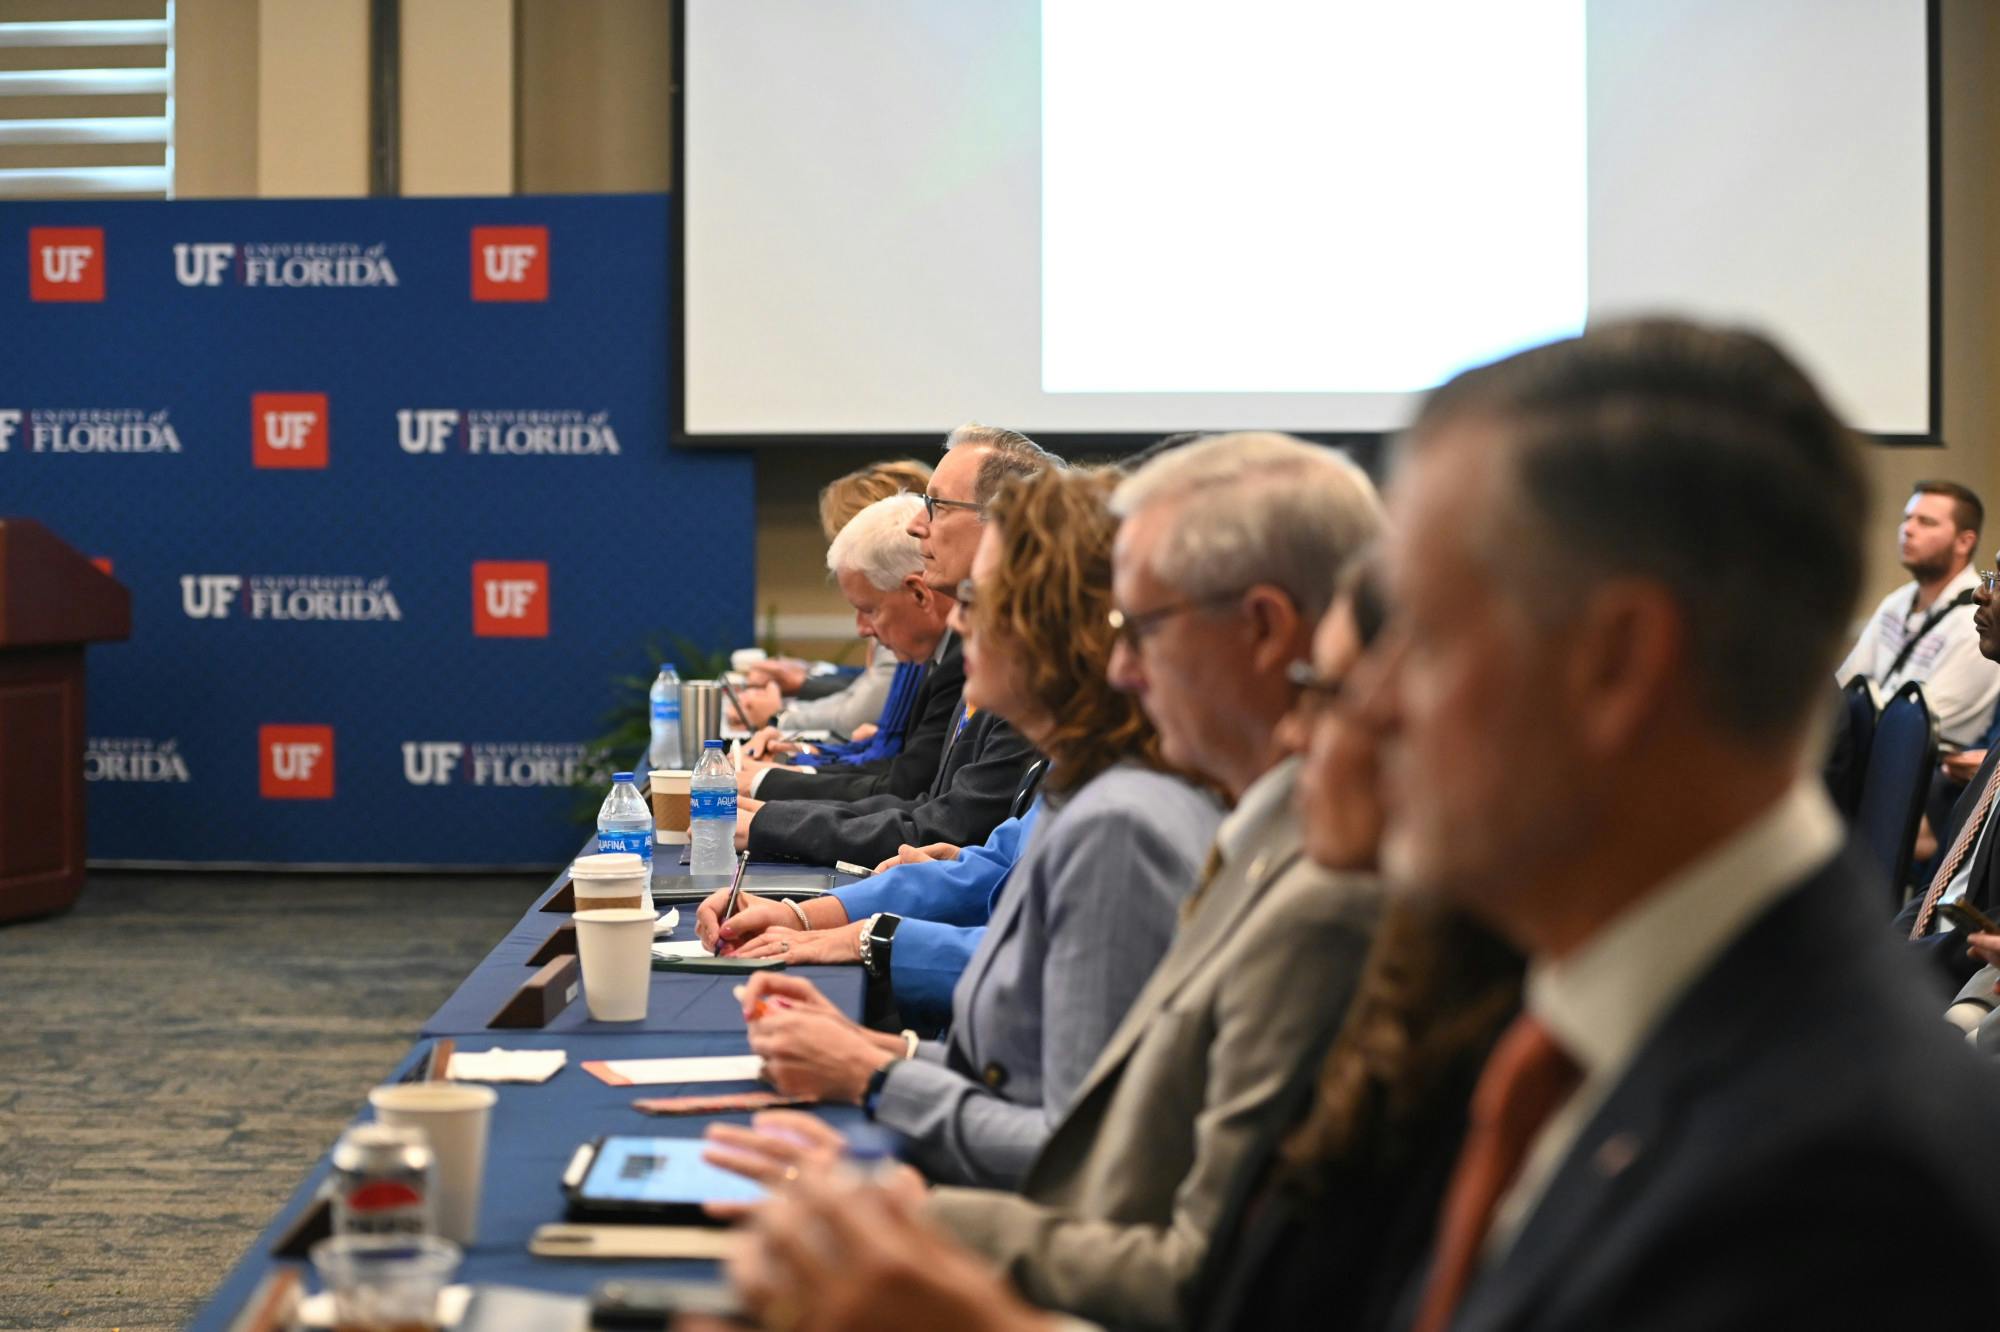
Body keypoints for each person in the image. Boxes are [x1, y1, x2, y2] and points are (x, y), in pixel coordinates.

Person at [1347, 318, 2000, 1330]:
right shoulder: (1565, 1015)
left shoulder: (1836, 1198)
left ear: (1619, 663)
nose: (1371, 702)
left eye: (1422, 635)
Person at [708, 431, 1388, 1331]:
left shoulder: (1176, 833)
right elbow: (1100, 1111)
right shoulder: (1209, 819)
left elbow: (1132, 1213)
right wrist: (884, 1053)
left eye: (1143, 627)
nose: (1123, 666)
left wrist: (889, 1151)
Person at [707, 468, 1219, 1189]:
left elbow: (1075, 1151)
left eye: (976, 599)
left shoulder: (1121, 822)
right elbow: (990, 883)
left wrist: (875, 1074)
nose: (954, 621)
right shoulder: (1083, 773)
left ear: (1057, 624)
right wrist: (867, 1039)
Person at [735, 426, 1056, 865]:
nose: (916, 525)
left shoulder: (1033, 674)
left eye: (937, 505)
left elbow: (946, 830)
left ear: (1003, 524)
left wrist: (773, 819)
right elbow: (937, 817)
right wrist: (775, 816)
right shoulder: (992, 656)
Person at [734, 495, 958, 805]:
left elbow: (905, 790)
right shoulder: (932, 654)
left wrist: (769, 784)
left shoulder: (955, 663)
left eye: (869, 610)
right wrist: (802, 755)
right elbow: (899, 769)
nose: (862, 629)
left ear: (918, 594)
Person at [734, 458, 934, 734]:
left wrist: (779, 717)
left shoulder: (904, 614)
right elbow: (869, 684)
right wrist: (806, 679)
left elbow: (865, 711)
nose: (863, 627)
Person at [1835, 479, 1997, 749]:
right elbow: (1846, 685)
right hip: (1862, 747)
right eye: (1907, 518)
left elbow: (1914, 727)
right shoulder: (1897, 602)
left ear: (1964, 542)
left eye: (1926, 522)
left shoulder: (1980, 621)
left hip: (1920, 764)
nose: (1908, 529)